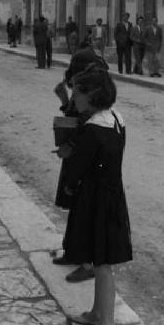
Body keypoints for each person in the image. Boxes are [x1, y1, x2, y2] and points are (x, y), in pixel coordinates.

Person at [61, 65, 132, 325]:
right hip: (111, 197)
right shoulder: (116, 119)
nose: (73, 98)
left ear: (91, 96)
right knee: (99, 258)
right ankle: (96, 313)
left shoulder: (92, 128)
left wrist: (68, 159)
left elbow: (79, 167)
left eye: (77, 93)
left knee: (102, 264)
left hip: (96, 201)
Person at [53, 46, 109, 283]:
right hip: (77, 152)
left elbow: (84, 122)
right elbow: (75, 115)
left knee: (84, 208)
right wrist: (66, 100)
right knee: (75, 206)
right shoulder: (84, 80)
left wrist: (70, 145)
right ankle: (73, 252)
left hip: (85, 155)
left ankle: (87, 263)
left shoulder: (93, 85)